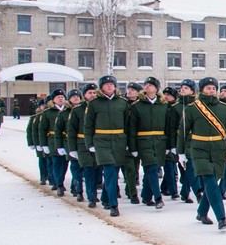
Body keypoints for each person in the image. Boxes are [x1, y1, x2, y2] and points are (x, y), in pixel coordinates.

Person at [178, 77, 226, 230]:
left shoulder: (224, 108)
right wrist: (181, 152)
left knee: (212, 184)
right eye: (208, 88)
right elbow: (183, 132)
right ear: (202, 90)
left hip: (219, 149)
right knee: (210, 181)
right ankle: (222, 218)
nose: (212, 91)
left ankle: (201, 212)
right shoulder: (192, 108)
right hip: (199, 149)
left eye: (214, 88)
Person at [84, 76, 129, 217]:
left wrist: (129, 143)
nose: (109, 86)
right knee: (109, 170)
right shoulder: (94, 103)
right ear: (101, 87)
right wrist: (89, 143)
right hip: (101, 141)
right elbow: (88, 125)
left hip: (119, 141)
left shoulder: (123, 103)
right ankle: (114, 205)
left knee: (113, 172)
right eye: (106, 84)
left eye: (112, 84)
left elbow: (128, 125)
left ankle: (105, 198)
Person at [127, 77, 169, 209]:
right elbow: (132, 128)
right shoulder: (137, 106)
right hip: (143, 141)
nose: (147, 87)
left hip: (160, 141)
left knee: (152, 169)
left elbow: (168, 128)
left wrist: (169, 145)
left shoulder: (163, 106)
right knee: (152, 167)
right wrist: (132, 147)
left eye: (151, 85)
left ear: (156, 89)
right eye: (146, 84)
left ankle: (146, 196)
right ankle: (158, 197)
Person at [67, 83, 99, 207]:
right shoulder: (77, 110)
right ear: (84, 95)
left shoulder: (101, 107)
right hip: (83, 144)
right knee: (88, 169)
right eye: (90, 92)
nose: (93, 95)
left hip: (99, 143)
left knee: (97, 171)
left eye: (94, 92)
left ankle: (94, 193)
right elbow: (71, 131)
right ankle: (90, 196)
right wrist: (72, 148)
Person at [39, 88, 68, 195]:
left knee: (65, 164)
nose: (60, 99)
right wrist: (43, 144)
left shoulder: (69, 111)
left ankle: (60, 180)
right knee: (57, 163)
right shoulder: (48, 113)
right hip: (53, 140)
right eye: (58, 97)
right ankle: (59, 184)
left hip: (67, 140)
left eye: (62, 97)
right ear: (53, 100)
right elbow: (42, 130)